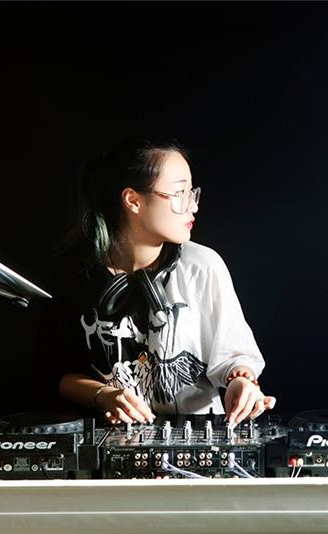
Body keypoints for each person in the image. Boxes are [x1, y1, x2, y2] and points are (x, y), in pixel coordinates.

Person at [47, 139, 274, 426]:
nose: (193, 206)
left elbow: (234, 357)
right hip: (112, 438)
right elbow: (58, 373)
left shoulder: (203, 266)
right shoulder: (76, 275)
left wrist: (241, 382)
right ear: (133, 200)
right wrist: (105, 395)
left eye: (191, 193)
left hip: (197, 433)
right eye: (179, 193)